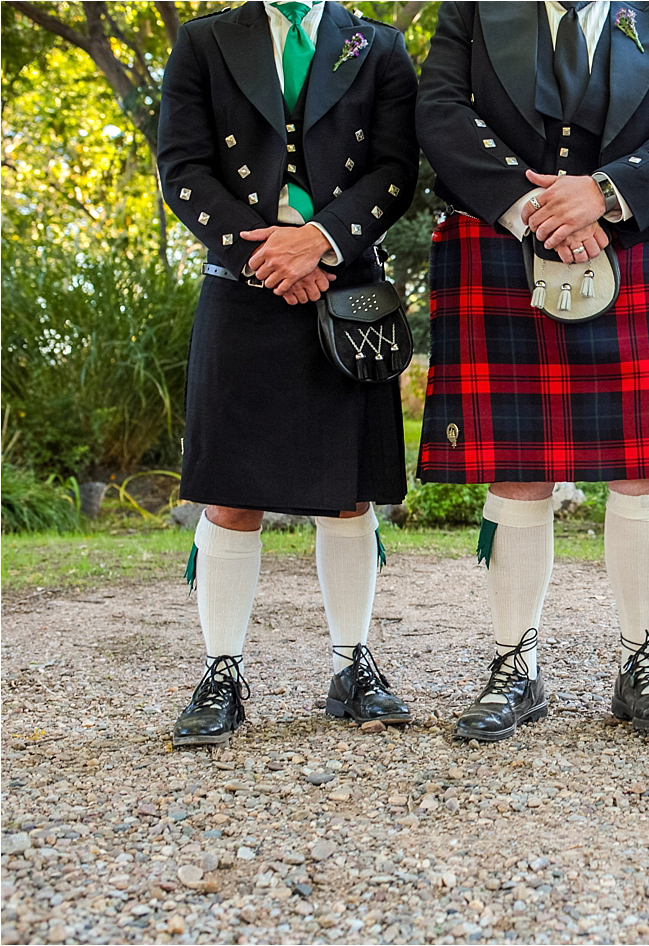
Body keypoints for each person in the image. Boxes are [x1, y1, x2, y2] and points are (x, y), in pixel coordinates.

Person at [413, 1, 649, 742]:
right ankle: (515, 664)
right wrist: (531, 207)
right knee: (517, 466)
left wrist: (603, 193)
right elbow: (442, 111)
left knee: (644, 468)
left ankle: (642, 661)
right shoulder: (476, 11)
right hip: (500, 240)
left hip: (633, 242)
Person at [156, 0, 420, 747]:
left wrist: (322, 242)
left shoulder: (378, 45)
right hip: (244, 282)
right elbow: (181, 168)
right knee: (231, 497)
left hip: (347, 286)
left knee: (349, 495)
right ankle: (221, 672)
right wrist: (265, 255)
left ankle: (350, 665)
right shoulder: (206, 40)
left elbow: (396, 172)